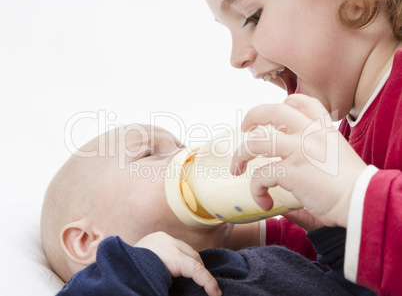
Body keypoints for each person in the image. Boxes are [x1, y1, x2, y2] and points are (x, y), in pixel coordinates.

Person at [202, 0, 402, 294]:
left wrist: (351, 195)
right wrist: (232, 231)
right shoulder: (347, 134)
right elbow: (351, 259)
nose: (236, 58)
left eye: (252, 18)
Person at [41, 124, 361, 295]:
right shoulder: (115, 287)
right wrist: (141, 262)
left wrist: (334, 234)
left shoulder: (270, 263)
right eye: (149, 155)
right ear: (85, 241)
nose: (189, 157)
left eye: (182, 148)